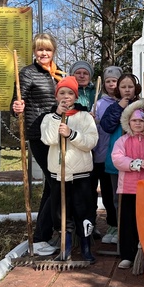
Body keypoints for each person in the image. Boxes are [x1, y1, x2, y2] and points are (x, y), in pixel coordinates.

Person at [11, 33, 64, 255]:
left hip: (57, 133)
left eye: (48, 50)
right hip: (38, 134)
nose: (44, 53)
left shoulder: (59, 74)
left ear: (53, 52)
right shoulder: (26, 73)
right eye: (40, 49)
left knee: (52, 184)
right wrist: (17, 108)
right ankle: (44, 234)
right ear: (34, 51)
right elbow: (14, 104)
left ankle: (47, 231)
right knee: (54, 182)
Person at [40, 76, 99, 263]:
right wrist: (57, 117)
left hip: (81, 174)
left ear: (76, 96)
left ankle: (86, 248)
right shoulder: (49, 118)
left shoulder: (84, 117)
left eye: (70, 93)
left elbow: (90, 142)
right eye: (62, 93)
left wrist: (71, 134)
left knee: (84, 211)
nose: (66, 97)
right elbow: (48, 139)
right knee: (60, 212)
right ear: (56, 96)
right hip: (60, 174)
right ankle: (65, 248)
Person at [111, 100, 144, 269]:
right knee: (127, 222)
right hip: (128, 189)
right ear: (128, 122)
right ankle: (127, 254)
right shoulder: (122, 141)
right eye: (134, 121)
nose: (138, 124)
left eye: (141, 120)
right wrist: (136, 163)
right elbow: (117, 159)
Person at [100, 73, 142, 245]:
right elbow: (107, 126)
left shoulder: (141, 106)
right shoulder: (114, 106)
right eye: (123, 86)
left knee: (138, 198)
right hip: (116, 160)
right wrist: (119, 108)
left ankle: (138, 231)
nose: (126, 90)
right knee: (118, 199)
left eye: (130, 86)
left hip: (138, 158)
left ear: (135, 89)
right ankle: (119, 229)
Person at [92, 66, 122, 244]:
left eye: (115, 81)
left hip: (118, 154)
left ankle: (119, 225)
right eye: (108, 81)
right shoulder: (99, 103)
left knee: (117, 193)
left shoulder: (127, 101)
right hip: (101, 154)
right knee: (106, 192)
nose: (112, 84)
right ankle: (111, 224)